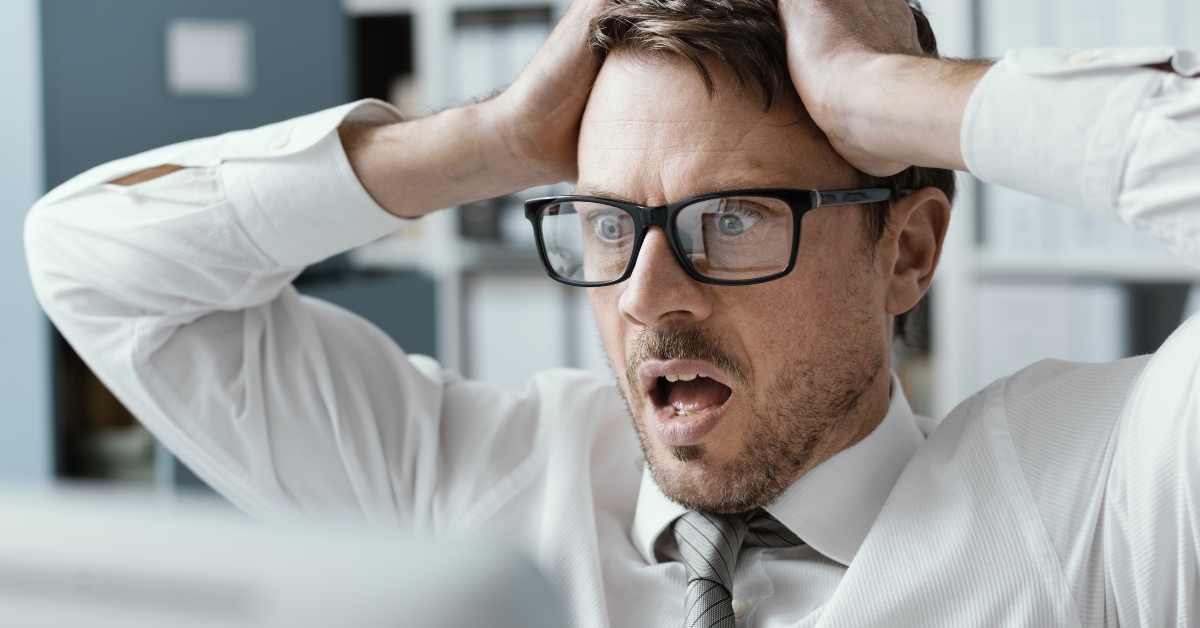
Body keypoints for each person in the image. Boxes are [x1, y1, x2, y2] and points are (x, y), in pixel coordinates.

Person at [25, 0, 1199, 624]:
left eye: (729, 218)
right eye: (604, 221)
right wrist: (490, 137)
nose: (646, 295)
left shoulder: (1096, 509)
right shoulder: (475, 482)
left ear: (908, 251)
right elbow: (93, 265)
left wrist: (887, 93)